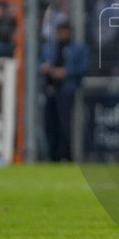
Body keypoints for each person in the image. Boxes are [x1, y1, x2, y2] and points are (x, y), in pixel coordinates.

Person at [40, 23, 89, 162]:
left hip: (67, 91)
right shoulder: (49, 48)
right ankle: (51, 155)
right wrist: (44, 69)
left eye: (65, 32)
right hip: (50, 91)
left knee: (65, 125)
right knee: (50, 124)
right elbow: (40, 64)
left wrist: (66, 73)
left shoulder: (78, 48)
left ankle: (65, 155)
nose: (63, 35)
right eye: (61, 32)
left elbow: (84, 67)